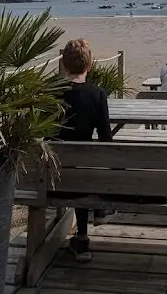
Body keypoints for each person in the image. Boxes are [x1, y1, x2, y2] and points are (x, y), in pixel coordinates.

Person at [56, 38, 115, 263]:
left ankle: (78, 237)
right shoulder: (97, 94)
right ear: (89, 65)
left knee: (75, 167)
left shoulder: (52, 93)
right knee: (86, 168)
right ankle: (84, 235)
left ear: (64, 64)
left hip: (53, 177)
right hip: (84, 178)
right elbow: (106, 139)